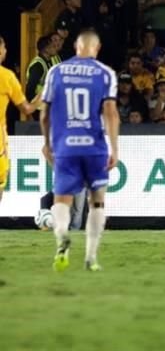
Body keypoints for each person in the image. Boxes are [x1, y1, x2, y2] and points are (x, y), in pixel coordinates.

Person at [39, 31, 119, 272]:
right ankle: (91, 258)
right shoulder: (105, 73)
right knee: (97, 203)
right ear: (97, 47)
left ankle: (62, 239)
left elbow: (44, 114)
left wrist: (47, 142)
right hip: (94, 147)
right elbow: (110, 113)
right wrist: (114, 147)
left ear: (76, 46)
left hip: (65, 146)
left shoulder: (56, 72)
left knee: (62, 201)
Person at [0, 36, 38, 206]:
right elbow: (27, 109)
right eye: (4, 47)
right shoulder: (7, 76)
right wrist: (41, 96)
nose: (6, 50)